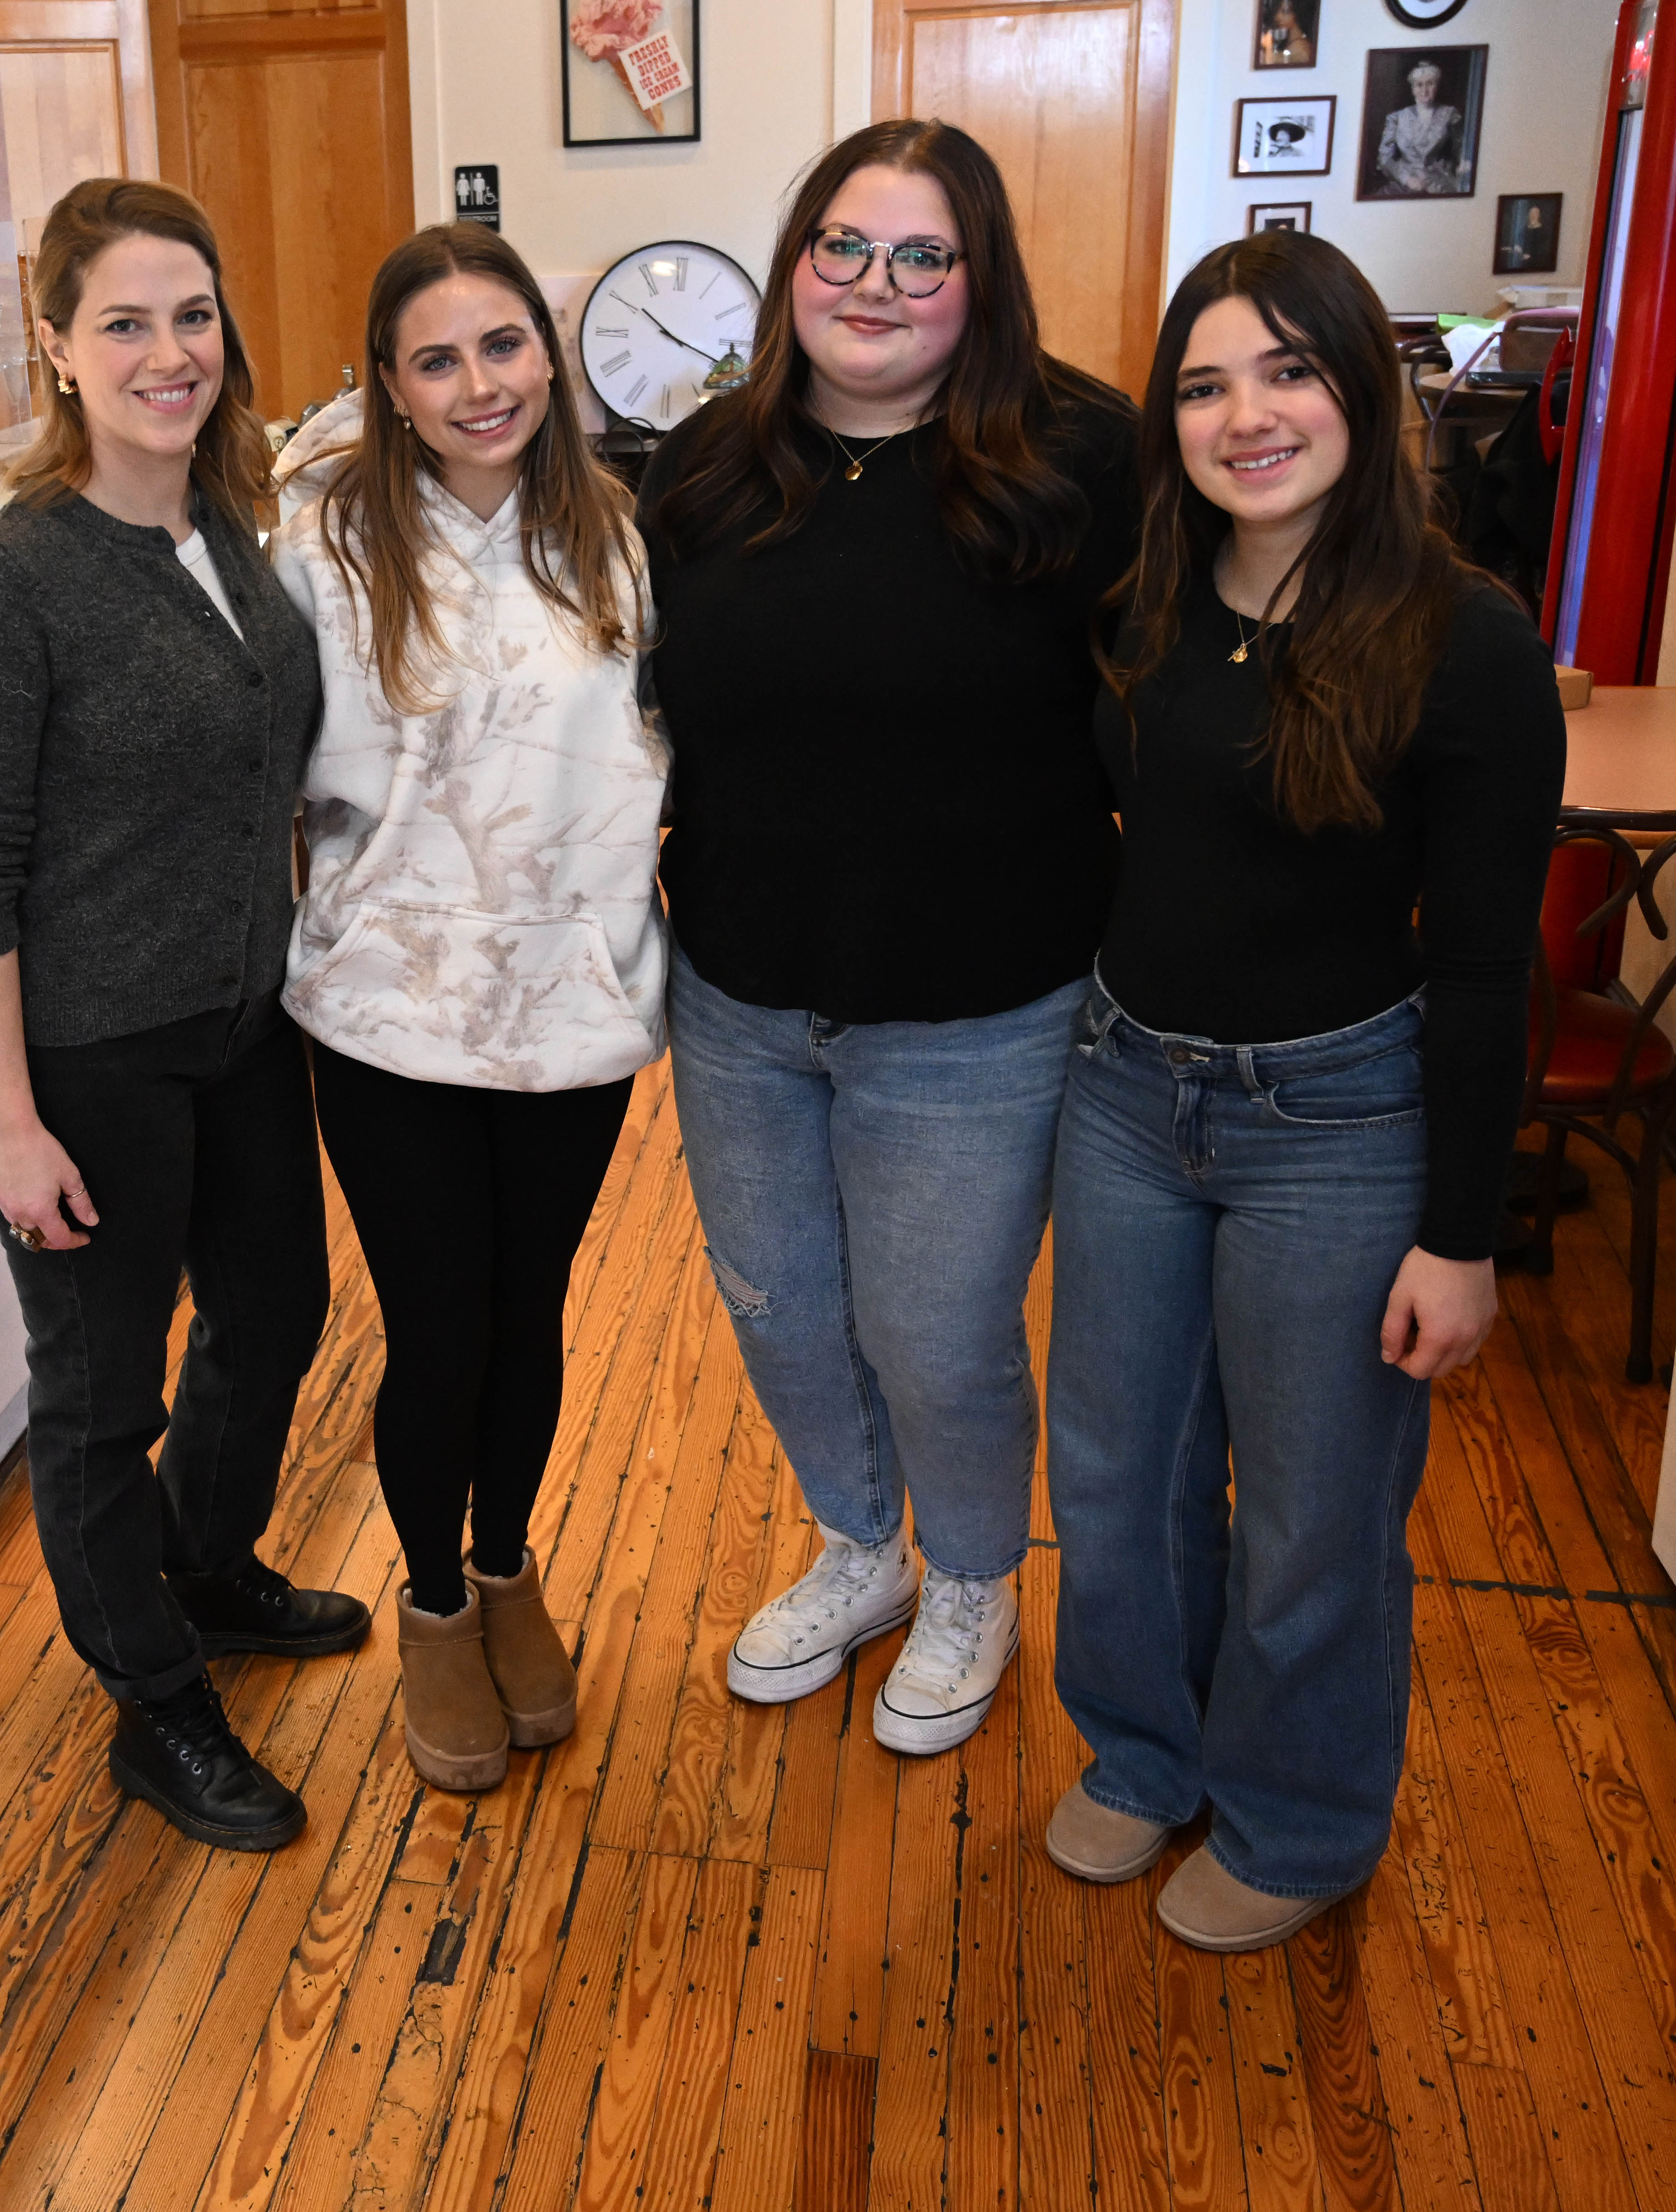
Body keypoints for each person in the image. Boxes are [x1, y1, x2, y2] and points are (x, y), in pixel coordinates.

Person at [1040, 229, 1561, 1950]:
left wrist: (1458, 1236)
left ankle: (1302, 1815)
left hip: (1336, 1124)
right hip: (1125, 1086)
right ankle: (1144, 1747)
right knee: (1118, 1472)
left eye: (1284, 369)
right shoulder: (1145, 596)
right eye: (1201, 382)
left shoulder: (1463, 640)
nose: (1243, 413)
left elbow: (1488, 963)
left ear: (1362, 385)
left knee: (1314, 1508)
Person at [637, 119, 1139, 1755]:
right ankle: (862, 1546)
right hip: (737, 991)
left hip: (977, 1006)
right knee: (778, 1302)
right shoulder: (705, 467)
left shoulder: (1083, 458)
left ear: (977, 284)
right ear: (796, 262)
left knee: (934, 1329)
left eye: (924, 255)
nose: (877, 283)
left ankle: (975, 1575)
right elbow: (624, 717)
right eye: (844, 246)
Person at [0, 177, 360, 1856]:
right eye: (124, 322)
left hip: (241, 1025)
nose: (170, 352)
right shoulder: (14, 584)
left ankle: (204, 1565)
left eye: (193, 314)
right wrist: (12, 1121)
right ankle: (152, 1696)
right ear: (55, 348)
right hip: (83, 1058)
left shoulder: (230, 534)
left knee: (275, 1315)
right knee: (104, 1390)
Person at [269, 223, 666, 1793]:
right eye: (434, 357)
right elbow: (260, 774)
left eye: (500, 345)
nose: (476, 382)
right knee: (438, 1326)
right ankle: (432, 1608)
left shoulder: (617, 539)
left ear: (546, 355)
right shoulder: (324, 548)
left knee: (530, 1314)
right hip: (389, 1012)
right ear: (386, 384)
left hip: (572, 1002)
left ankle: (507, 1572)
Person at [1375, 61, 1471, 196]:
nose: (1425, 91)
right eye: (1419, 85)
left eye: (1430, 84)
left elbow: (1462, 148)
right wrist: (1407, 179)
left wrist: (1463, 163)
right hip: (1406, 182)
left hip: (1439, 181)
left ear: (1436, 86)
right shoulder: (1397, 118)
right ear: (1413, 89)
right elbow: (1385, 158)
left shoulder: (1449, 114)